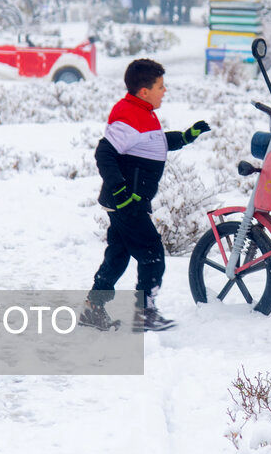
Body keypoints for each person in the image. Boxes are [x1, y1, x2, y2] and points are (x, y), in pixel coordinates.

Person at [78, 58, 211, 331]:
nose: (165, 90)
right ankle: (144, 313)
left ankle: (93, 308)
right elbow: (105, 153)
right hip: (128, 202)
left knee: (118, 254)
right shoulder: (128, 114)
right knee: (151, 251)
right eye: (160, 86)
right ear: (144, 91)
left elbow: (153, 143)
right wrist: (122, 192)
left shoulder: (142, 111)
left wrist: (185, 137)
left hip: (128, 201)